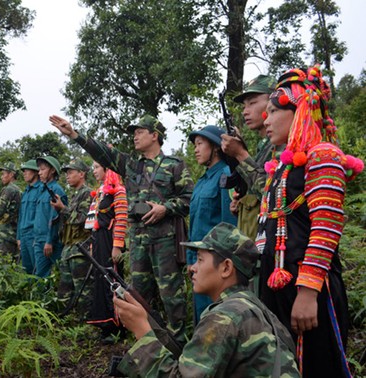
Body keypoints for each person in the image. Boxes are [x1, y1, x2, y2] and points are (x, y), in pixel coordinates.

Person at [50, 114, 193, 343]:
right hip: (138, 243)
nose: (135, 136)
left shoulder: (174, 166)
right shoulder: (131, 165)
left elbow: (188, 199)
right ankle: (146, 343)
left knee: (171, 294)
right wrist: (74, 134)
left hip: (165, 241)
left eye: (139, 131)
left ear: (154, 135)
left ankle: (178, 343)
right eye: (133, 133)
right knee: (138, 295)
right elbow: (103, 153)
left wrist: (165, 208)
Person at [258, 64, 362, 377]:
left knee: (316, 365)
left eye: (274, 111)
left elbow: (326, 228)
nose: (267, 120)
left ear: (299, 111)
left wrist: (307, 291)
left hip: (310, 289)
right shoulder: (281, 167)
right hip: (276, 284)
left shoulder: (323, 155)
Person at [113, 222, 300, 377]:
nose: (192, 268)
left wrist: (141, 330)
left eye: (200, 260)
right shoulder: (251, 305)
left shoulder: (225, 316)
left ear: (226, 268)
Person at [187, 125, 237, 323]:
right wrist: (192, 260)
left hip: (216, 263)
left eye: (200, 144)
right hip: (198, 261)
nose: (196, 149)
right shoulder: (202, 181)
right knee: (201, 316)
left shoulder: (226, 174)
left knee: (216, 317)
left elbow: (229, 223)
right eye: (195, 145)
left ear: (215, 147)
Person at [221, 74, 278, 241]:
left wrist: (240, 154)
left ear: (273, 102)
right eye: (244, 106)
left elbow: (272, 194)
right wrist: (242, 203)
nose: (246, 111)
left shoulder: (283, 145)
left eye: (252, 103)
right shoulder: (264, 146)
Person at [86, 161, 128, 343]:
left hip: (111, 241)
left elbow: (121, 218)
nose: (94, 170)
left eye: (97, 167)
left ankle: (118, 325)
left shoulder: (118, 190)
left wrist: (117, 245)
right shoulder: (100, 192)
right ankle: (104, 324)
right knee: (100, 280)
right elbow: (93, 221)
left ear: (107, 169)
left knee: (112, 280)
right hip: (99, 241)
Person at [53, 159, 92, 315]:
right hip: (68, 249)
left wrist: (63, 209)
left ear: (81, 174)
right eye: (66, 173)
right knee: (65, 290)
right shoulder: (75, 195)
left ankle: (86, 324)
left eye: (70, 172)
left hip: (80, 250)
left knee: (83, 290)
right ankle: (66, 322)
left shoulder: (88, 193)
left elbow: (83, 220)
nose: (67, 176)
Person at [32, 156, 68, 278]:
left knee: (61, 274)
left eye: (43, 169)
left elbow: (55, 219)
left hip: (51, 242)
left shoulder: (56, 190)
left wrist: (49, 241)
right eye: (39, 170)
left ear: (52, 171)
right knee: (40, 276)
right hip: (39, 240)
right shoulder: (42, 190)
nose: (39, 172)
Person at [16, 159, 42, 274]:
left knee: (37, 268)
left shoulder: (41, 189)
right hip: (24, 236)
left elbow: (41, 217)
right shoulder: (25, 192)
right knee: (26, 270)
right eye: (23, 171)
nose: (24, 173)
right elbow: (21, 216)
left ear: (35, 172)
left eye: (27, 170)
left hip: (34, 236)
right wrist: (18, 237)